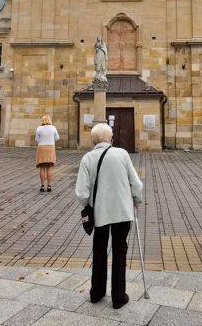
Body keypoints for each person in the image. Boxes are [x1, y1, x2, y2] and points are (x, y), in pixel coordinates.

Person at [75, 122, 143, 309]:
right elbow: (136, 184)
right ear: (111, 139)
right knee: (120, 250)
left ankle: (96, 293)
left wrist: (87, 205)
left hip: (100, 213)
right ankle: (118, 297)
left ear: (93, 141)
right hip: (122, 212)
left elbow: (81, 193)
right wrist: (136, 199)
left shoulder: (87, 158)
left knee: (99, 250)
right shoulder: (122, 154)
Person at [35, 115, 59, 192]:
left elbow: (36, 139)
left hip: (41, 148)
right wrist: (50, 138)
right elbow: (57, 138)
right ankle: (49, 186)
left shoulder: (39, 128)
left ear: (42, 120)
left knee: (42, 167)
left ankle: (42, 186)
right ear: (49, 120)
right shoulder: (53, 128)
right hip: (50, 148)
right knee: (49, 167)